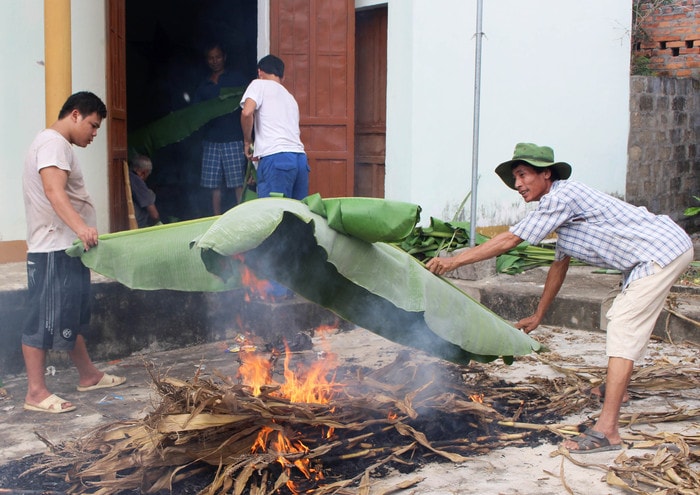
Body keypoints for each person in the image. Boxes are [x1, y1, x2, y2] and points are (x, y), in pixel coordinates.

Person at [426, 142, 693, 453]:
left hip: (659, 253)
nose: (518, 185)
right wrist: (539, 314)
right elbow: (559, 265)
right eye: (515, 179)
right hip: (657, 253)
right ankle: (614, 389)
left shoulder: (562, 196)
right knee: (623, 321)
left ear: (546, 174)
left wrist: (454, 261)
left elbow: (511, 239)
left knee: (623, 323)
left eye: (523, 175)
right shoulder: (560, 208)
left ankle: (607, 432)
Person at [21, 91, 126, 414]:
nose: (95, 134)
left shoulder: (57, 145)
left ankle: (89, 375)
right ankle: (36, 392)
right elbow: (53, 190)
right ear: (76, 114)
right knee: (41, 320)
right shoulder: (53, 144)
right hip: (53, 248)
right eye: (93, 126)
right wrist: (81, 227)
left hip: (66, 247)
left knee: (72, 317)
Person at [240, 54, 310, 200]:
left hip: (277, 159)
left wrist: (247, 141)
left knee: (273, 213)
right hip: (300, 160)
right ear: (282, 77)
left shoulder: (258, 84)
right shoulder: (290, 98)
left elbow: (247, 113)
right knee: (297, 215)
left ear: (260, 72)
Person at [193, 42, 248, 214]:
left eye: (217, 57)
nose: (214, 61)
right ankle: (215, 218)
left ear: (224, 57)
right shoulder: (204, 86)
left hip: (233, 139)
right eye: (210, 58)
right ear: (206, 60)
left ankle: (241, 217)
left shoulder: (237, 79)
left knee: (237, 183)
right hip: (211, 141)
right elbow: (195, 114)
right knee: (213, 185)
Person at [128, 154, 161, 227]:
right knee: (150, 194)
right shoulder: (136, 180)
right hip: (136, 224)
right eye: (148, 174)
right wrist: (160, 225)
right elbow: (154, 215)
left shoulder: (129, 176)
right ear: (143, 173)